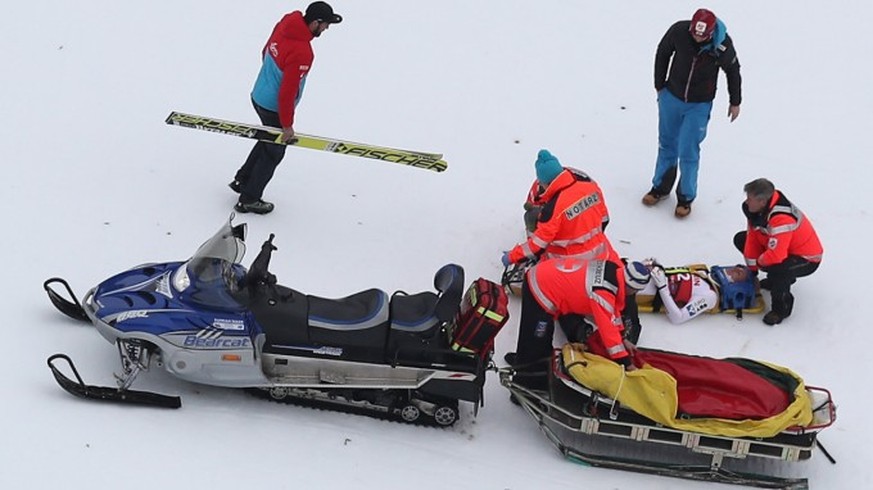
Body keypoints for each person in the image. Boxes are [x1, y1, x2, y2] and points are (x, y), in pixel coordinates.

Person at [229, 2, 343, 214]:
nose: (326, 29)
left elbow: (265, 51)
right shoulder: (302, 52)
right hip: (273, 106)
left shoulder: (285, 23)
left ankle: (243, 179)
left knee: (267, 140)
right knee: (275, 152)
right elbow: (287, 92)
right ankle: (249, 199)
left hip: (258, 95)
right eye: (325, 25)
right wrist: (287, 125)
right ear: (315, 22)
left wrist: (268, 79)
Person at [642, 8, 742, 218]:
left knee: (688, 150)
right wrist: (659, 85)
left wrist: (735, 102)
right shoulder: (679, 31)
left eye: (702, 35)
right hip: (671, 97)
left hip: (699, 104)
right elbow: (663, 52)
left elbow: (733, 71)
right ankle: (659, 188)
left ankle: (685, 198)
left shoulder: (722, 46)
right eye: (695, 33)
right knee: (666, 144)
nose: (697, 38)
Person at [507, 257, 651, 390]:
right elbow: (608, 333)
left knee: (538, 337)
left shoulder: (614, 270)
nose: (634, 294)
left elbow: (613, 313)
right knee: (537, 338)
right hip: (540, 288)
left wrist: (623, 339)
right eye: (636, 291)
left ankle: (526, 362)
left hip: (546, 276)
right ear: (631, 287)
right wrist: (627, 364)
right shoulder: (603, 291)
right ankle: (523, 384)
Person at [733, 178, 823, 325]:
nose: (746, 202)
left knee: (779, 270)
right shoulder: (755, 210)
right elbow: (752, 237)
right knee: (741, 239)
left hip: (806, 258)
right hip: (783, 248)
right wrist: (752, 271)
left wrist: (759, 262)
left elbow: (776, 256)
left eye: (750, 199)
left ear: (762, 202)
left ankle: (780, 309)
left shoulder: (782, 218)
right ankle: (775, 281)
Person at [503, 149, 612, 268]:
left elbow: (537, 246)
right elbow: (604, 219)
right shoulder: (590, 186)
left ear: (545, 183)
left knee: (533, 281)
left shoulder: (553, 208)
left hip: (567, 262)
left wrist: (511, 256)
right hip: (601, 252)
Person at [639, 263, 751, 324]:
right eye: (738, 267)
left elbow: (678, 318)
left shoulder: (710, 296)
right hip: (645, 275)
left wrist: (662, 287)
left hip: (644, 290)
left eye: (740, 274)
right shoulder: (701, 269)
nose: (736, 269)